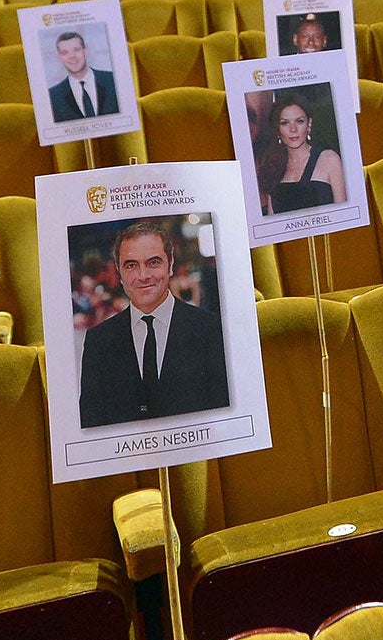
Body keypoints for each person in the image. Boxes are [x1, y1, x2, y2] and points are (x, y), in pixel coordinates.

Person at [78, 220, 230, 427]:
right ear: (119, 273)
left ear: (171, 265)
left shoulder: (212, 329)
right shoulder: (99, 341)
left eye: (153, 262)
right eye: (131, 265)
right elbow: (91, 421)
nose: (143, 276)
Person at [259, 95, 347, 214]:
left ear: (309, 124)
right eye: (285, 123)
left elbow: (344, 215)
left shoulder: (329, 159)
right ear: (277, 128)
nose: (293, 129)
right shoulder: (273, 167)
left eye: (299, 121)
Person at [47, 30, 119, 122]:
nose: (72, 56)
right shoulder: (53, 96)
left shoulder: (113, 80)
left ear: (85, 52)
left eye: (76, 50)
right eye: (65, 52)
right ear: (59, 58)